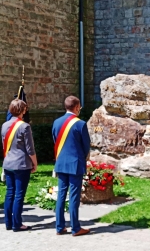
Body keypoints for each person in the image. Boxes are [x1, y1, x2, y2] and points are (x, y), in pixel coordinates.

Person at [52, 96, 91, 236]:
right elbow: (86, 146)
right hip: (75, 164)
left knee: (61, 195)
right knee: (74, 196)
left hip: (61, 162)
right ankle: (75, 228)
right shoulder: (80, 124)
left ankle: (59, 227)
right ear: (76, 107)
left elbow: (55, 141)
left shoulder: (56, 122)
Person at [1, 99, 38, 231]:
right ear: (22, 110)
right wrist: (35, 163)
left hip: (8, 163)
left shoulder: (4, 125)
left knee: (9, 193)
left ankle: (8, 223)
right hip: (21, 164)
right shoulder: (25, 126)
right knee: (19, 195)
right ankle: (17, 224)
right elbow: (30, 149)